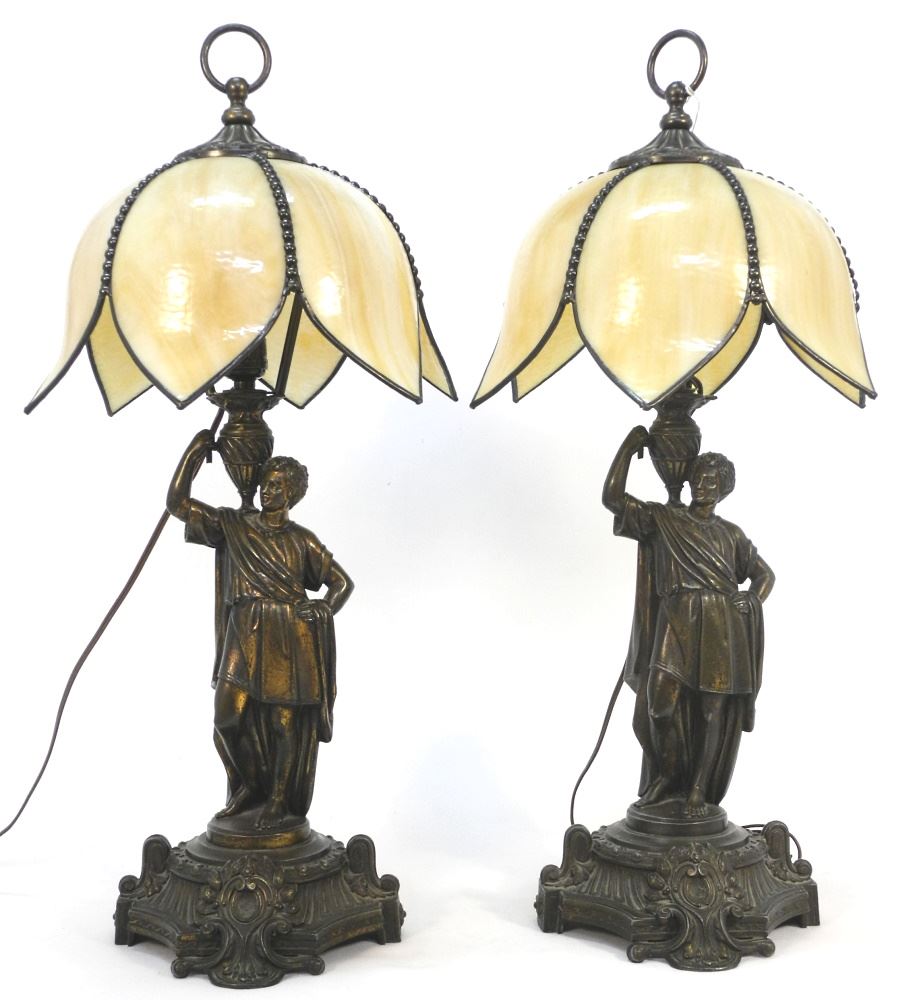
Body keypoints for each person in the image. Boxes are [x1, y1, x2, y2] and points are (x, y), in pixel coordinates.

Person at [167, 429, 353, 830]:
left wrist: (323, 608)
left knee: (284, 724)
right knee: (226, 718)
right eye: (266, 483)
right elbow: (177, 505)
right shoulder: (234, 524)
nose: (268, 491)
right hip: (245, 631)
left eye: (277, 486)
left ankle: (278, 800)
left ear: (291, 494)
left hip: (287, 635)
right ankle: (250, 785)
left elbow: (341, 583)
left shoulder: (302, 541)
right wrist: (194, 453)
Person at [603, 426, 774, 817]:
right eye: (698, 478)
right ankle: (669, 773)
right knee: (657, 704)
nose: (703, 486)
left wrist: (751, 599)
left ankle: (698, 788)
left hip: (720, 626)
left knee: (712, 712)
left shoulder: (731, 535)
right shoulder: (665, 519)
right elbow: (612, 498)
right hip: (676, 621)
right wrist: (629, 447)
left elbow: (764, 575)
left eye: (712, 481)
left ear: (724, 489)